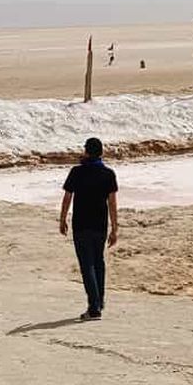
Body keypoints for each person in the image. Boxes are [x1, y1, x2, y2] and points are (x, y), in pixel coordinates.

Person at [60, 137, 119, 321]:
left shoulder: (77, 172)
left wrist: (62, 219)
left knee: (87, 265)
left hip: (81, 224)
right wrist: (114, 228)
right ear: (101, 153)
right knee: (98, 262)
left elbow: (67, 197)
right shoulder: (108, 174)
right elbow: (112, 203)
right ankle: (99, 301)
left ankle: (94, 308)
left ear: (86, 151)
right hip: (100, 225)